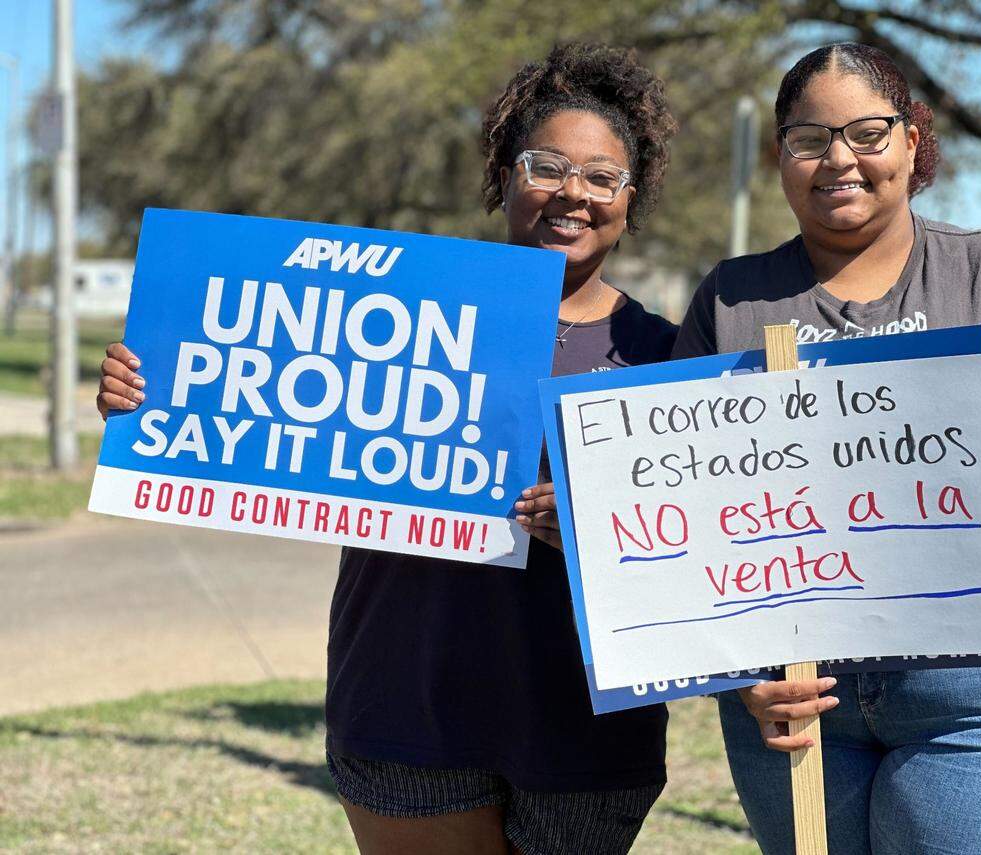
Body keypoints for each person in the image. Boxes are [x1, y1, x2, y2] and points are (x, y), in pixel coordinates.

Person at [97, 43, 679, 855]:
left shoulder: (666, 354)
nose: (571, 192)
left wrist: (600, 527)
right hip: (406, 701)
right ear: (504, 173)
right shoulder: (391, 305)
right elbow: (243, 380)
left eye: (602, 176)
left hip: (584, 732)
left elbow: (695, 546)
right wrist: (148, 389)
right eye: (547, 165)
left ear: (631, 196)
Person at [671, 42, 981, 855]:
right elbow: (684, 507)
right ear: (782, 156)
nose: (838, 158)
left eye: (867, 132)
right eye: (808, 138)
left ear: (912, 142)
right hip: (800, 694)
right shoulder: (730, 299)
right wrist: (743, 674)